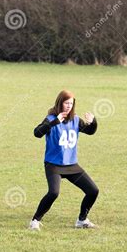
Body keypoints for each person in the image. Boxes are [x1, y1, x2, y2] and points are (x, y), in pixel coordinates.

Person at [30, 90, 99, 231]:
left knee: (93, 190)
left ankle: (82, 220)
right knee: (54, 193)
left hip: (71, 165)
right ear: (60, 103)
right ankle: (35, 220)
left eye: (71, 103)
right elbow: (37, 133)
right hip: (53, 165)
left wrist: (93, 122)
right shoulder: (50, 119)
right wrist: (54, 122)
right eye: (66, 103)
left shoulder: (76, 120)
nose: (68, 106)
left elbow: (90, 131)